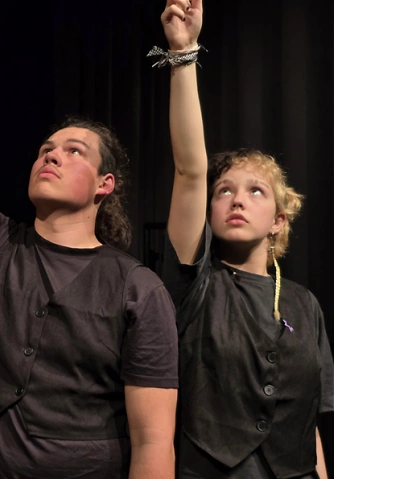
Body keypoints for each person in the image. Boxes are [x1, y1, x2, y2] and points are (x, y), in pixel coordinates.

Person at [0, 1, 180, 477]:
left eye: (74, 151)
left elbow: (153, 442)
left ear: (105, 185)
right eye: (46, 149)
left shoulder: (138, 288)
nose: (52, 155)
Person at [157, 1, 334, 478]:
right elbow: (189, 170)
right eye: (224, 191)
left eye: (256, 191)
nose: (237, 199)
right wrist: (184, 52)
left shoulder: (305, 305)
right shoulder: (194, 283)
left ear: (278, 220)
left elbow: (309, 425)